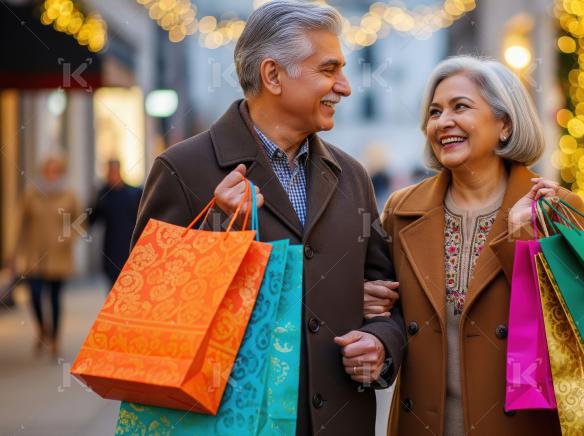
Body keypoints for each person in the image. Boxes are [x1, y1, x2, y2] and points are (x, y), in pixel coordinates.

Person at [131, 1, 404, 434]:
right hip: (229, 422)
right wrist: (217, 229)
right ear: (273, 75)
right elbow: (146, 310)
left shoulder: (353, 176)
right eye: (329, 70)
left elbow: (388, 302)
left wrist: (381, 346)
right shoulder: (183, 168)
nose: (345, 87)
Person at [364, 56, 584, 435]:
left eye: (460, 107)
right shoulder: (401, 211)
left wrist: (521, 239)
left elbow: (576, 329)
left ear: (504, 124)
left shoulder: (554, 207)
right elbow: (390, 318)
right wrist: (370, 303)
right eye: (434, 112)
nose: (442, 122)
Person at [11, 154, 81, 358]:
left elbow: (79, 221)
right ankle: (43, 329)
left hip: (59, 256)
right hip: (34, 255)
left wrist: (69, 238)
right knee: (33, 295)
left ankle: (55, 339)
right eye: (48, 171)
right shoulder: (32, 194)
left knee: (55, 298)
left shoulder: (69, 195)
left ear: (60, 173)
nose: (51, 175)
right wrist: (15, 252)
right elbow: (21, 224)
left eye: (55, 171)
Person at [89, 158, 142, 288]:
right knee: (113, 287)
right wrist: (95, 200)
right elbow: (92, 220)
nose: (112, 175)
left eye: (114, 171)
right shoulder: (103, 194)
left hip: (129, 245)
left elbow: (140, 219)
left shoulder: (134, 193)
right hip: (111, 247)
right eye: (110, 171)